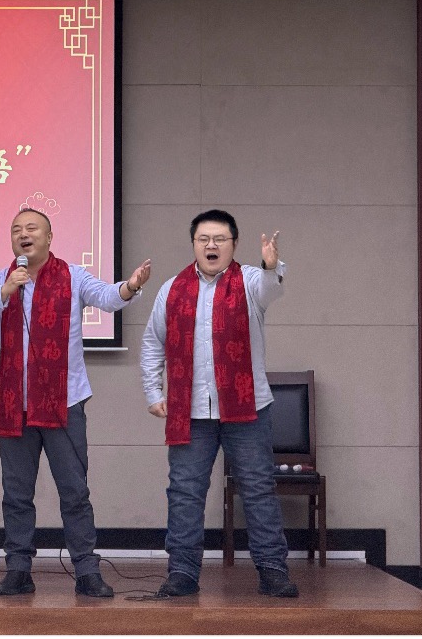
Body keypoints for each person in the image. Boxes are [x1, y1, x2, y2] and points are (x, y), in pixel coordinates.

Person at [0, 208, 151, 598]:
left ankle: (86, 571)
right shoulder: (2, 280)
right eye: (16, 230)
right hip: (15, 404)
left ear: (49, 237)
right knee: (16, 494)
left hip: (63, 401)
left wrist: (130, 287)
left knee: (74, 491)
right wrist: (5, 292)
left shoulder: (73, 276)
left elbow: (107, 297)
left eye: (31, 228)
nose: (23, 235)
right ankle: (18, 570)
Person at [140, 209, 298, 599]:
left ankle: (273, 571)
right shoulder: (172, 289)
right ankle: (182, 573)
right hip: (191, 410)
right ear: (194, 244)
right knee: (184, 492)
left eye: (220, 239)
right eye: (203, 239)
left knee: (258, 489)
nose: (211, 246)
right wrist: (154, 392)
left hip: (247, 407)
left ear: (234, 244)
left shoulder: (251, 281)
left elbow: (272, 288)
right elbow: (153, 342)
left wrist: (271, 264)